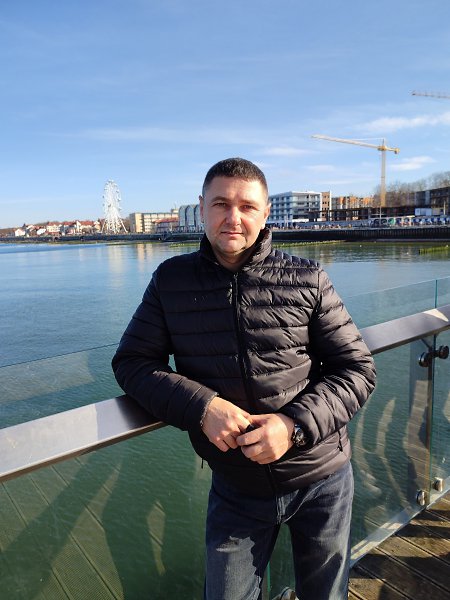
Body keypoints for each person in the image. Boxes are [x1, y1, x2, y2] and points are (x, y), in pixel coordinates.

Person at [112, 157, 376, 600]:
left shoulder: (307, 277)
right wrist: (202, 407)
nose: (233, 218)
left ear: (265, 213)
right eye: (221, 204)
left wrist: (292, 426)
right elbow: (133, 362)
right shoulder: (171, 281)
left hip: (322, 477)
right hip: (236, 487)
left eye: (247, 206)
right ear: (201, 208)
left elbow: (357, 369)